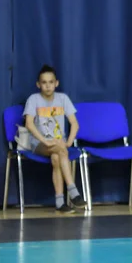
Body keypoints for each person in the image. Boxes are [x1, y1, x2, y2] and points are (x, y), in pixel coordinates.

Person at [23, 65, 86, 213]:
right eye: (44, 82)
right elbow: (29, 124)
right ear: (38, 84)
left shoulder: (63, 98)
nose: (48, 86)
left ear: (56, 83)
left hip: (59, 144)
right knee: (59, 149)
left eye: (51, 82)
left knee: (57, 158)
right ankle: (73, 191)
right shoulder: (33, 99)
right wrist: (45, 141)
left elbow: (74, 124)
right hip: (39, 143)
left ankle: (59, 202)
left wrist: (69, 142)